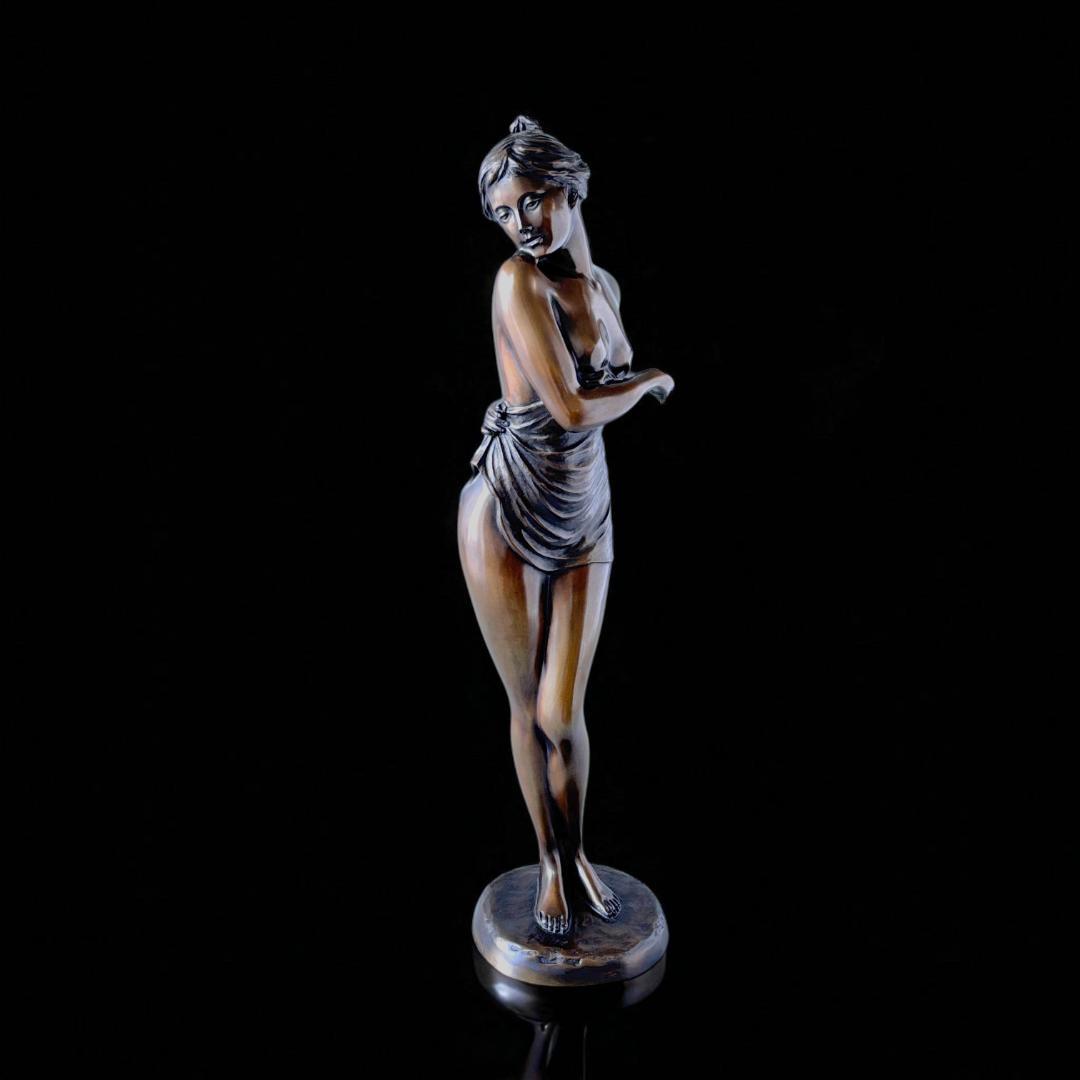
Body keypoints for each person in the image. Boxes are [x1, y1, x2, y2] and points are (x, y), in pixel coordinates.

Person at [458, 115, 675, 937]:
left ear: (570, 187)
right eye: (504, 213)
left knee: (563, 711)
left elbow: (590, 406)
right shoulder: (517, 283)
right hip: (508, 505)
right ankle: (549, 863)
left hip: (585, 505)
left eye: (533, 200)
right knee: (526, 706)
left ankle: (577, 852)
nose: (521, 224)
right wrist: (651, 381)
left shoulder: (603, 285)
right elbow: (575, 408)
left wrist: (631, 380)